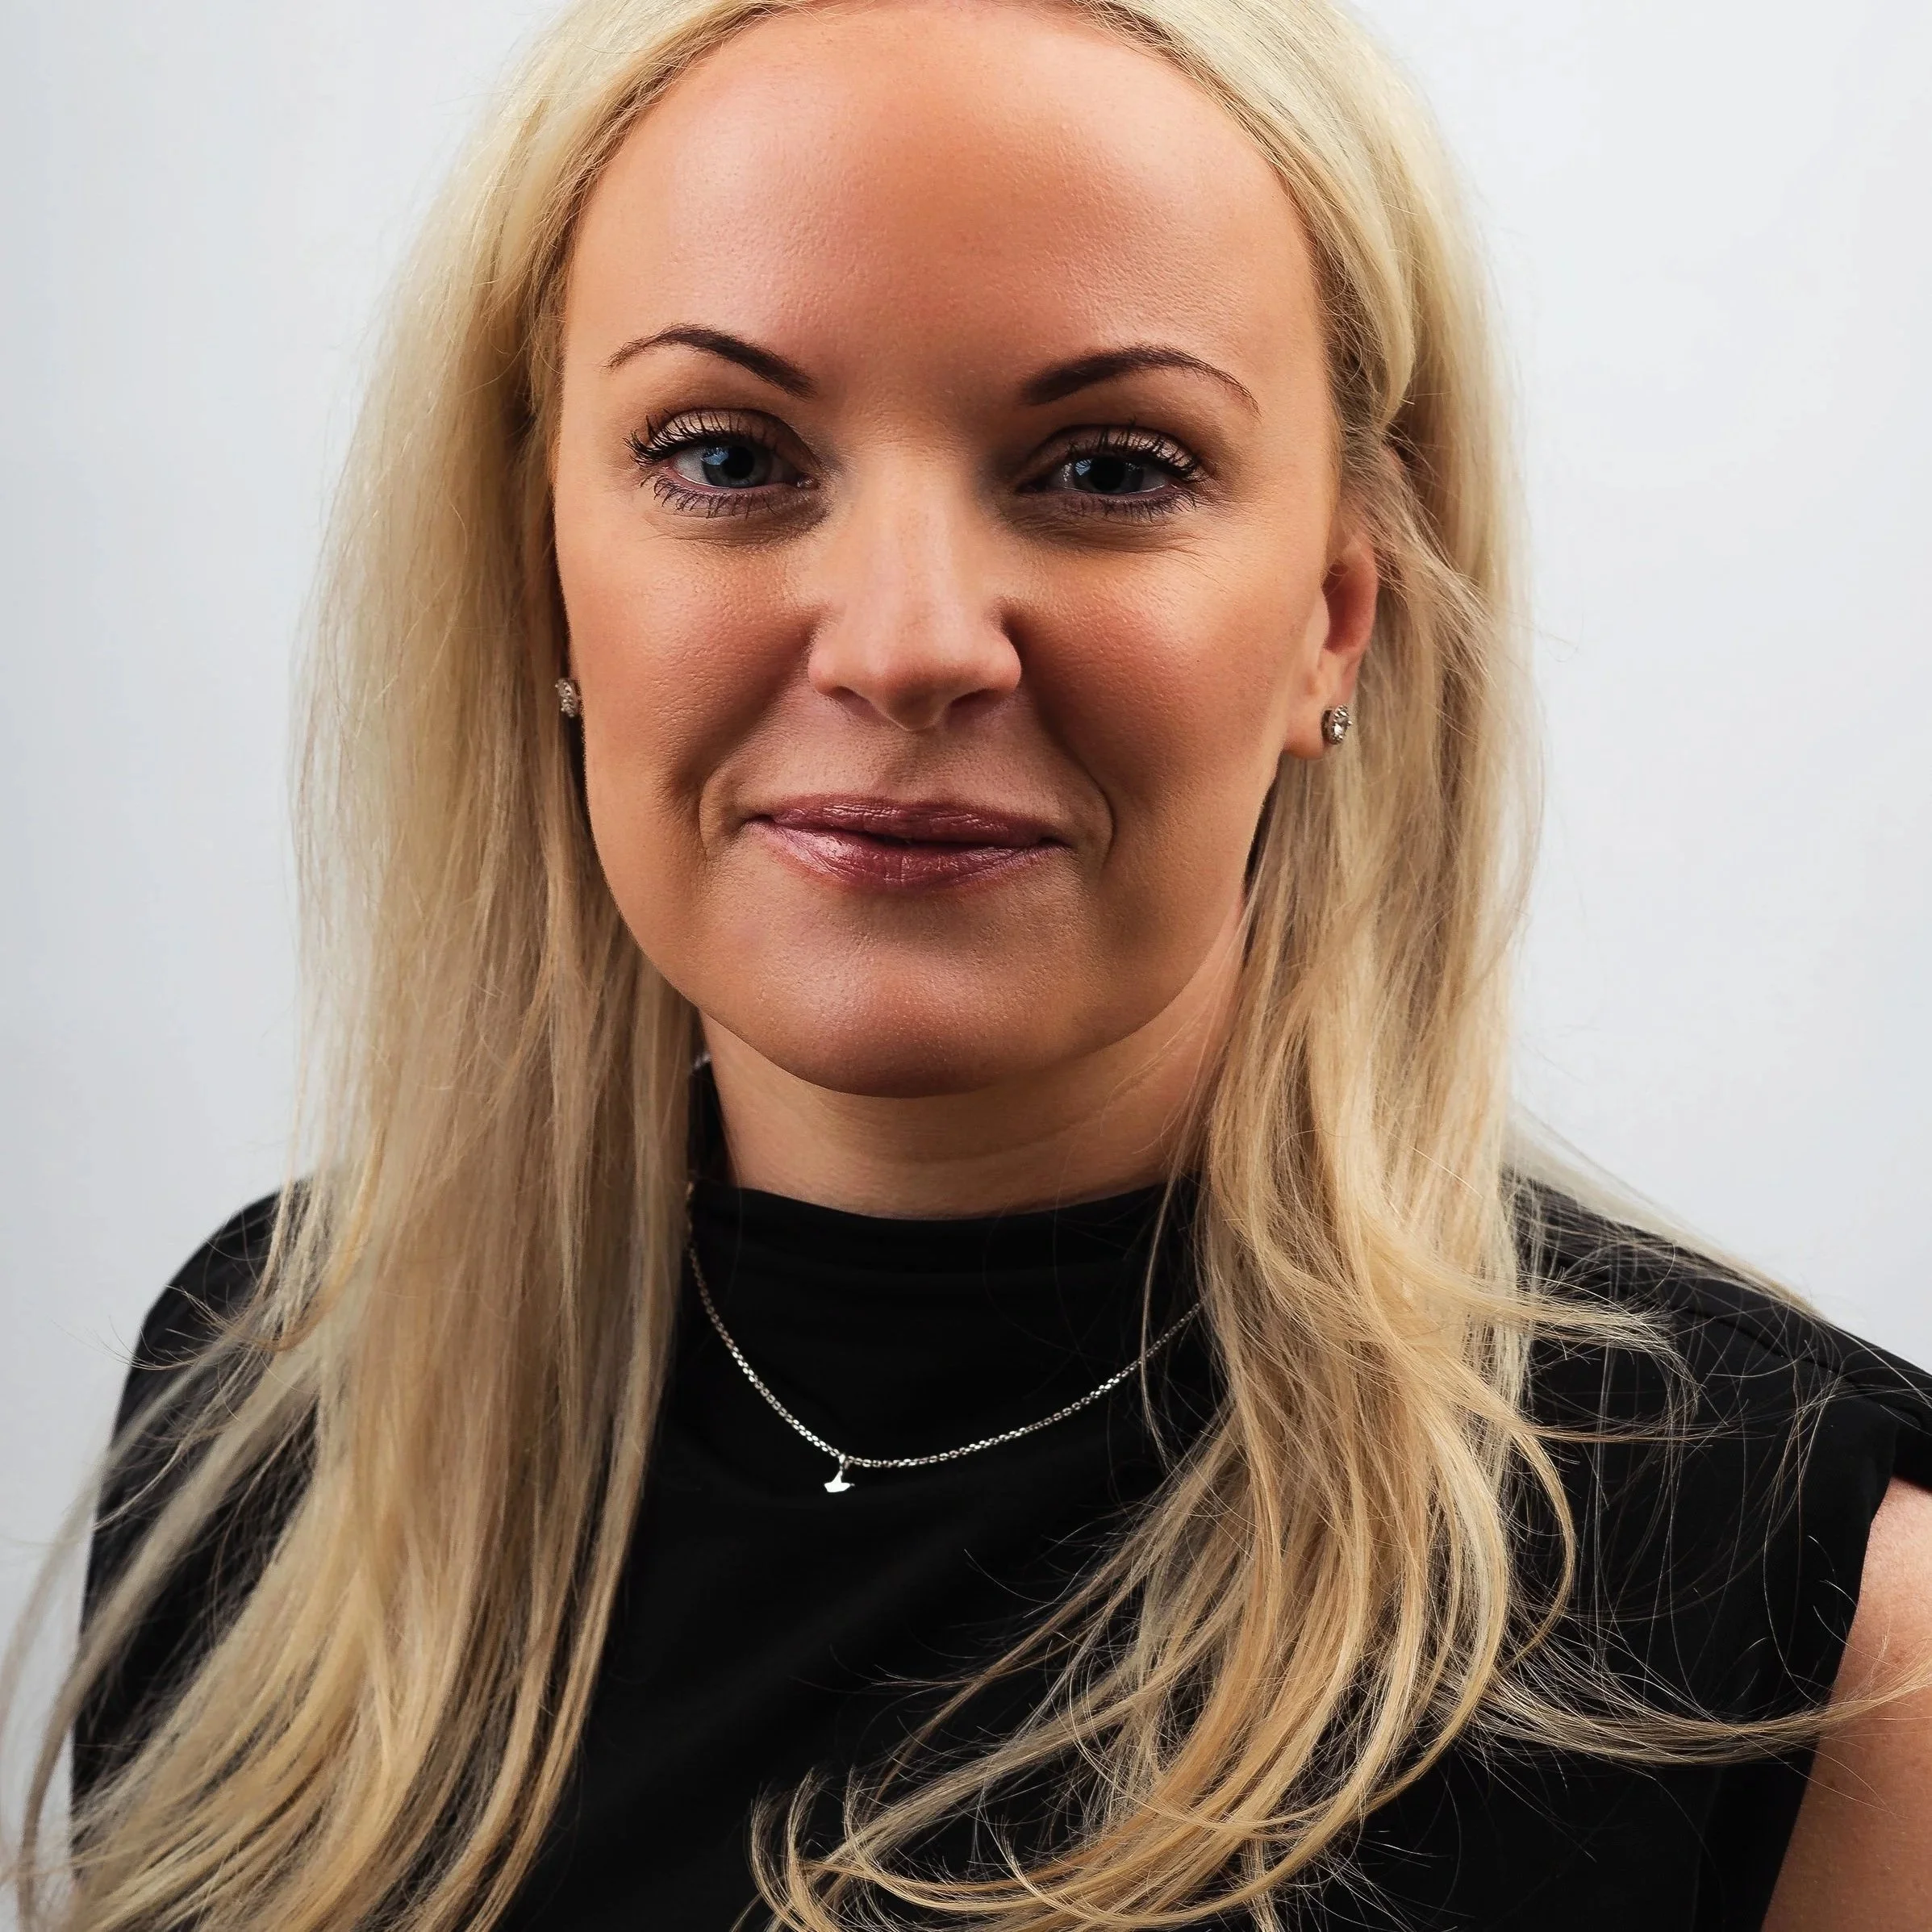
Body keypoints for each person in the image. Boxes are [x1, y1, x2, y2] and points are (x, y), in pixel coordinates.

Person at [10, 0, 1931, 1926]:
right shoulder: (273, 1396)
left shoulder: (1831, 1617)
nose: (911, 642)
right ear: (543, 573)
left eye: (1109, 468)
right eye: (726, 453)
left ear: (1335, 621)